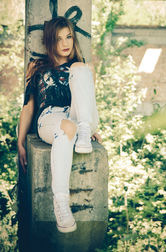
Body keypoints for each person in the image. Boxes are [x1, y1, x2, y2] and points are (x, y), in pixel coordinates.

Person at [17, 16, 101, 233]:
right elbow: (28, 107)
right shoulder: (37, 68)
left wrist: (93, 127)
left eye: (69, 37)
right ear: (49, 42)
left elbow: (88, 99)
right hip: (50, 119)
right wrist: (20, 141)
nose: (65, 43)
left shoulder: (80, 68)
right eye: (58, 39)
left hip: (76, 117)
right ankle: (61, 203)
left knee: (84, 67)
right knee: (66, 128)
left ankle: (84, 129)